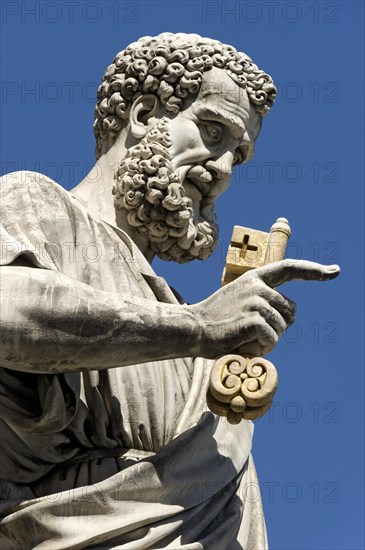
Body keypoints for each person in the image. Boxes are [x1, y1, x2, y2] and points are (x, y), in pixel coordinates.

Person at [0, 33, 339, 549]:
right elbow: (9, 310)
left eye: (238, 156)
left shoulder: (186, 317)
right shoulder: (38, 205)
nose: (222, 169)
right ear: (142, 115)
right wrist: (201, 328)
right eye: (211, 131)